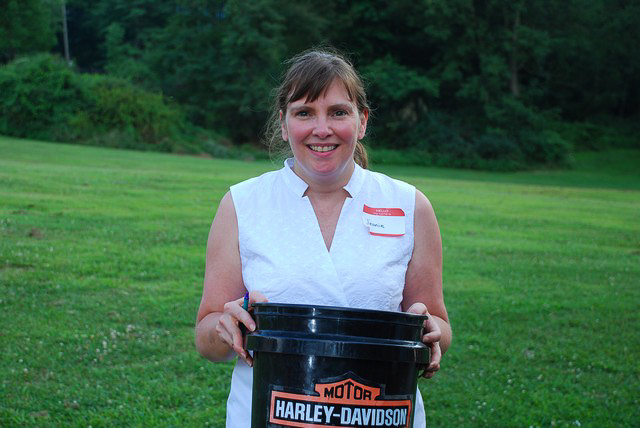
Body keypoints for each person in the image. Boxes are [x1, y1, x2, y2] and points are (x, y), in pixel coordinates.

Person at [195, 49, 452, 427]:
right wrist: (226, 327)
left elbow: (439, 325)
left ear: (362, 121)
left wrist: (431, 333)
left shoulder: (410, 205)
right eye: (304, 113)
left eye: (338, 112)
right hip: (269, 415)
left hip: (382, 414)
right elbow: (206, 336)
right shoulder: (242, 204)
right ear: (284, 124)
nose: (321, 128)